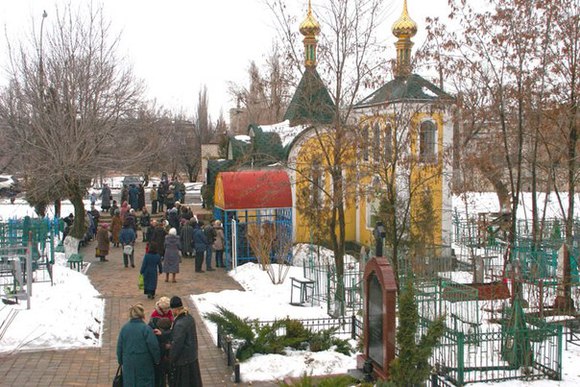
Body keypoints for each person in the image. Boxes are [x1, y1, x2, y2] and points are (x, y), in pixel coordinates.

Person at [116, 303, 160, 387]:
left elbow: (119, 347)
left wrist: (121, 361)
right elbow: (153, 346)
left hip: (128, 362)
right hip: (144, 362)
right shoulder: (146, 329)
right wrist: (157, 360)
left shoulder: (124, 328)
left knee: (130, 382)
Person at [168, 296, 203, 387]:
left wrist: (171, 359)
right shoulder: (189, 317)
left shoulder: (180, 324)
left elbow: (177, 344)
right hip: (192, 358)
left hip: (183, 362)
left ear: (175, 309)